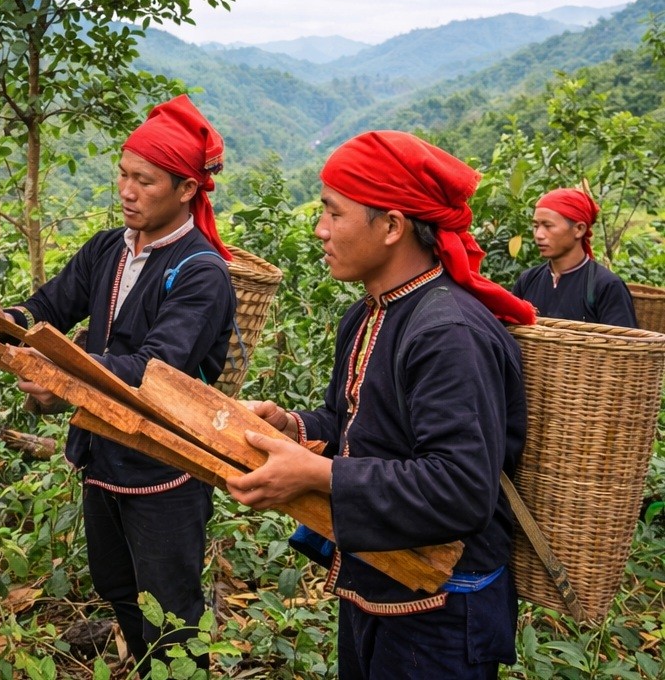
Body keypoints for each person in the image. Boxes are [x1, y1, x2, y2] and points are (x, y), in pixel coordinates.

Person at [225, 131, 535, 680]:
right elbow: (355, 427)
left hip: (443, 609)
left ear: (392, 226)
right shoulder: (369, 314)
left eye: (333, 213)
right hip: (379, 576)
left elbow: (460, 489)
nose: (320, 229)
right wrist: (292, 428)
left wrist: (315, 472)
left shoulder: (449, 333)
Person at [0, 95, 236, 673]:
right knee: (119, 591)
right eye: (123, 175)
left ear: (187, 189)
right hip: (104, 456)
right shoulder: (109, 248)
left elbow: (158, 370)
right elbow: (45, 311)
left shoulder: (200, 270)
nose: (127, 191)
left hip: (165, 468)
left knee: (172, 616)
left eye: (146, 180)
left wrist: (63, 376)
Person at [512, 187, 637, 326]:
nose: (538, 235)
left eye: (548, 226)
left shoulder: (606, 285)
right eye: (536, 226)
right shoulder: (528, 280)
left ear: (579, 229)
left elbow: (624, 344)